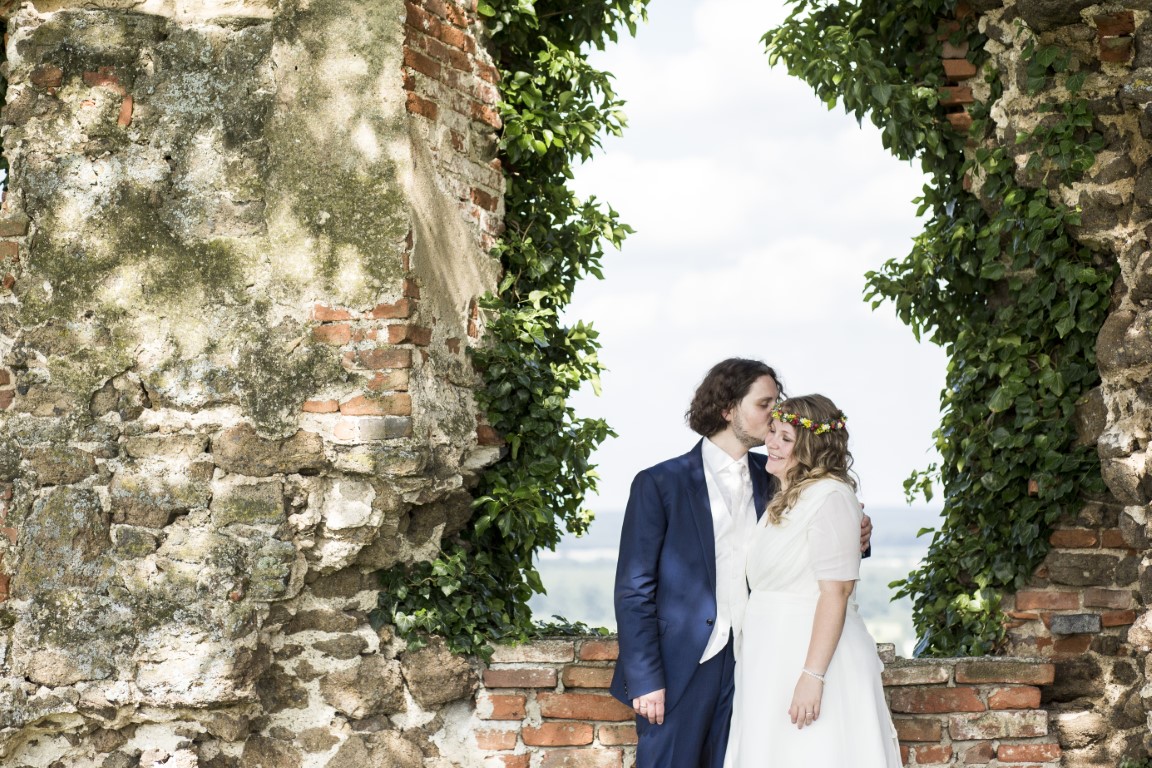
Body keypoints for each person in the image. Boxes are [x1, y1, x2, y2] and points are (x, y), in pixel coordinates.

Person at [610, 360, 872, 768]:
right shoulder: (660, 483)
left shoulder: (780, 477)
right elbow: (634, 587)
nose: (776, 416)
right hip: (682, 668)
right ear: (728, 409)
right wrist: (645, 678)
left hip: (755, 662)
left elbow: (817, 540)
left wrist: (860, 534)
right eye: (765, 404)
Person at [723, 394, 901, 768]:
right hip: (769, 655)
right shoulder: (785, 497)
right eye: (772, 431)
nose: (771, 442)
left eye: (785, 438)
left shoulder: (830, 496)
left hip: (808, 655)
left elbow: (836, 592)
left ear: (811, 448)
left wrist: (812, 676)